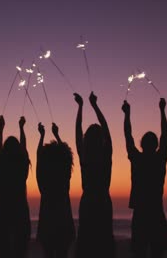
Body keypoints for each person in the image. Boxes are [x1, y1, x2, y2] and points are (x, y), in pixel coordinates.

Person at [122, 98, 167, 258]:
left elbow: (128, 136)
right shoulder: (160, 158)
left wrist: (127, 115)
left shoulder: (137, 159)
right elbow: (165, 135)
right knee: (158, 253)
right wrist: (162, 111)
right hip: (157, 210)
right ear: (156, 145)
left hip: (140, 212)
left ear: (142, 144)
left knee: (139, 253)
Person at [74, 92, 115, 258]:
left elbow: (78, 131)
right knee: (104, 242)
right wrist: (94, 105)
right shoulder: (106, 155)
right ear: (102, 140)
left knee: (86, 241)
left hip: (88, 201)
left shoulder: (84, 156)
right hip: (103, 201)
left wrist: (81, 107)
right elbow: (106, 129)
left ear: (86, 139)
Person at [0, 116, 31, 258]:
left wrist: (0, 128)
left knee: (4, 250)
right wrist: (21, 127)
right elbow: (24, 148)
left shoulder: (1, 166)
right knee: (20, 250)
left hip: (3, 210)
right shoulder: (22, 166)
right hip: (20, 209)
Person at [36, 122, 75, 258]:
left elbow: (39, 157)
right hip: (64, 222)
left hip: (46, 223)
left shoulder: (44, 180)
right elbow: (67, 157)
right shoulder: (64, 175)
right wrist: (57, 135)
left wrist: (42, 136)